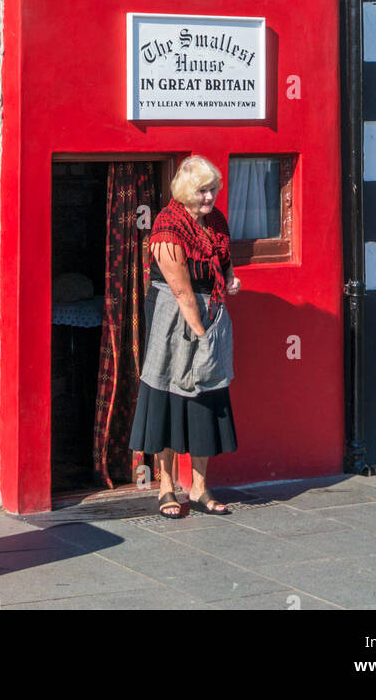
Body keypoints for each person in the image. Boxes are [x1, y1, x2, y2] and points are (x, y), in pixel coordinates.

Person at [128, 154, 241, 518]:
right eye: (202, 191)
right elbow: (180, 290)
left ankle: (200, 487)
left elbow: (224, 262)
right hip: (174, 316)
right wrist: (201, 333)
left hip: (209, 314)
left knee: (206, 395)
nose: (209, 198)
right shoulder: (167, 226)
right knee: (168, 396)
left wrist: (230, 281)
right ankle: (165, 487)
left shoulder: (217, 221)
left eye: (213, 190)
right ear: (185, 190)